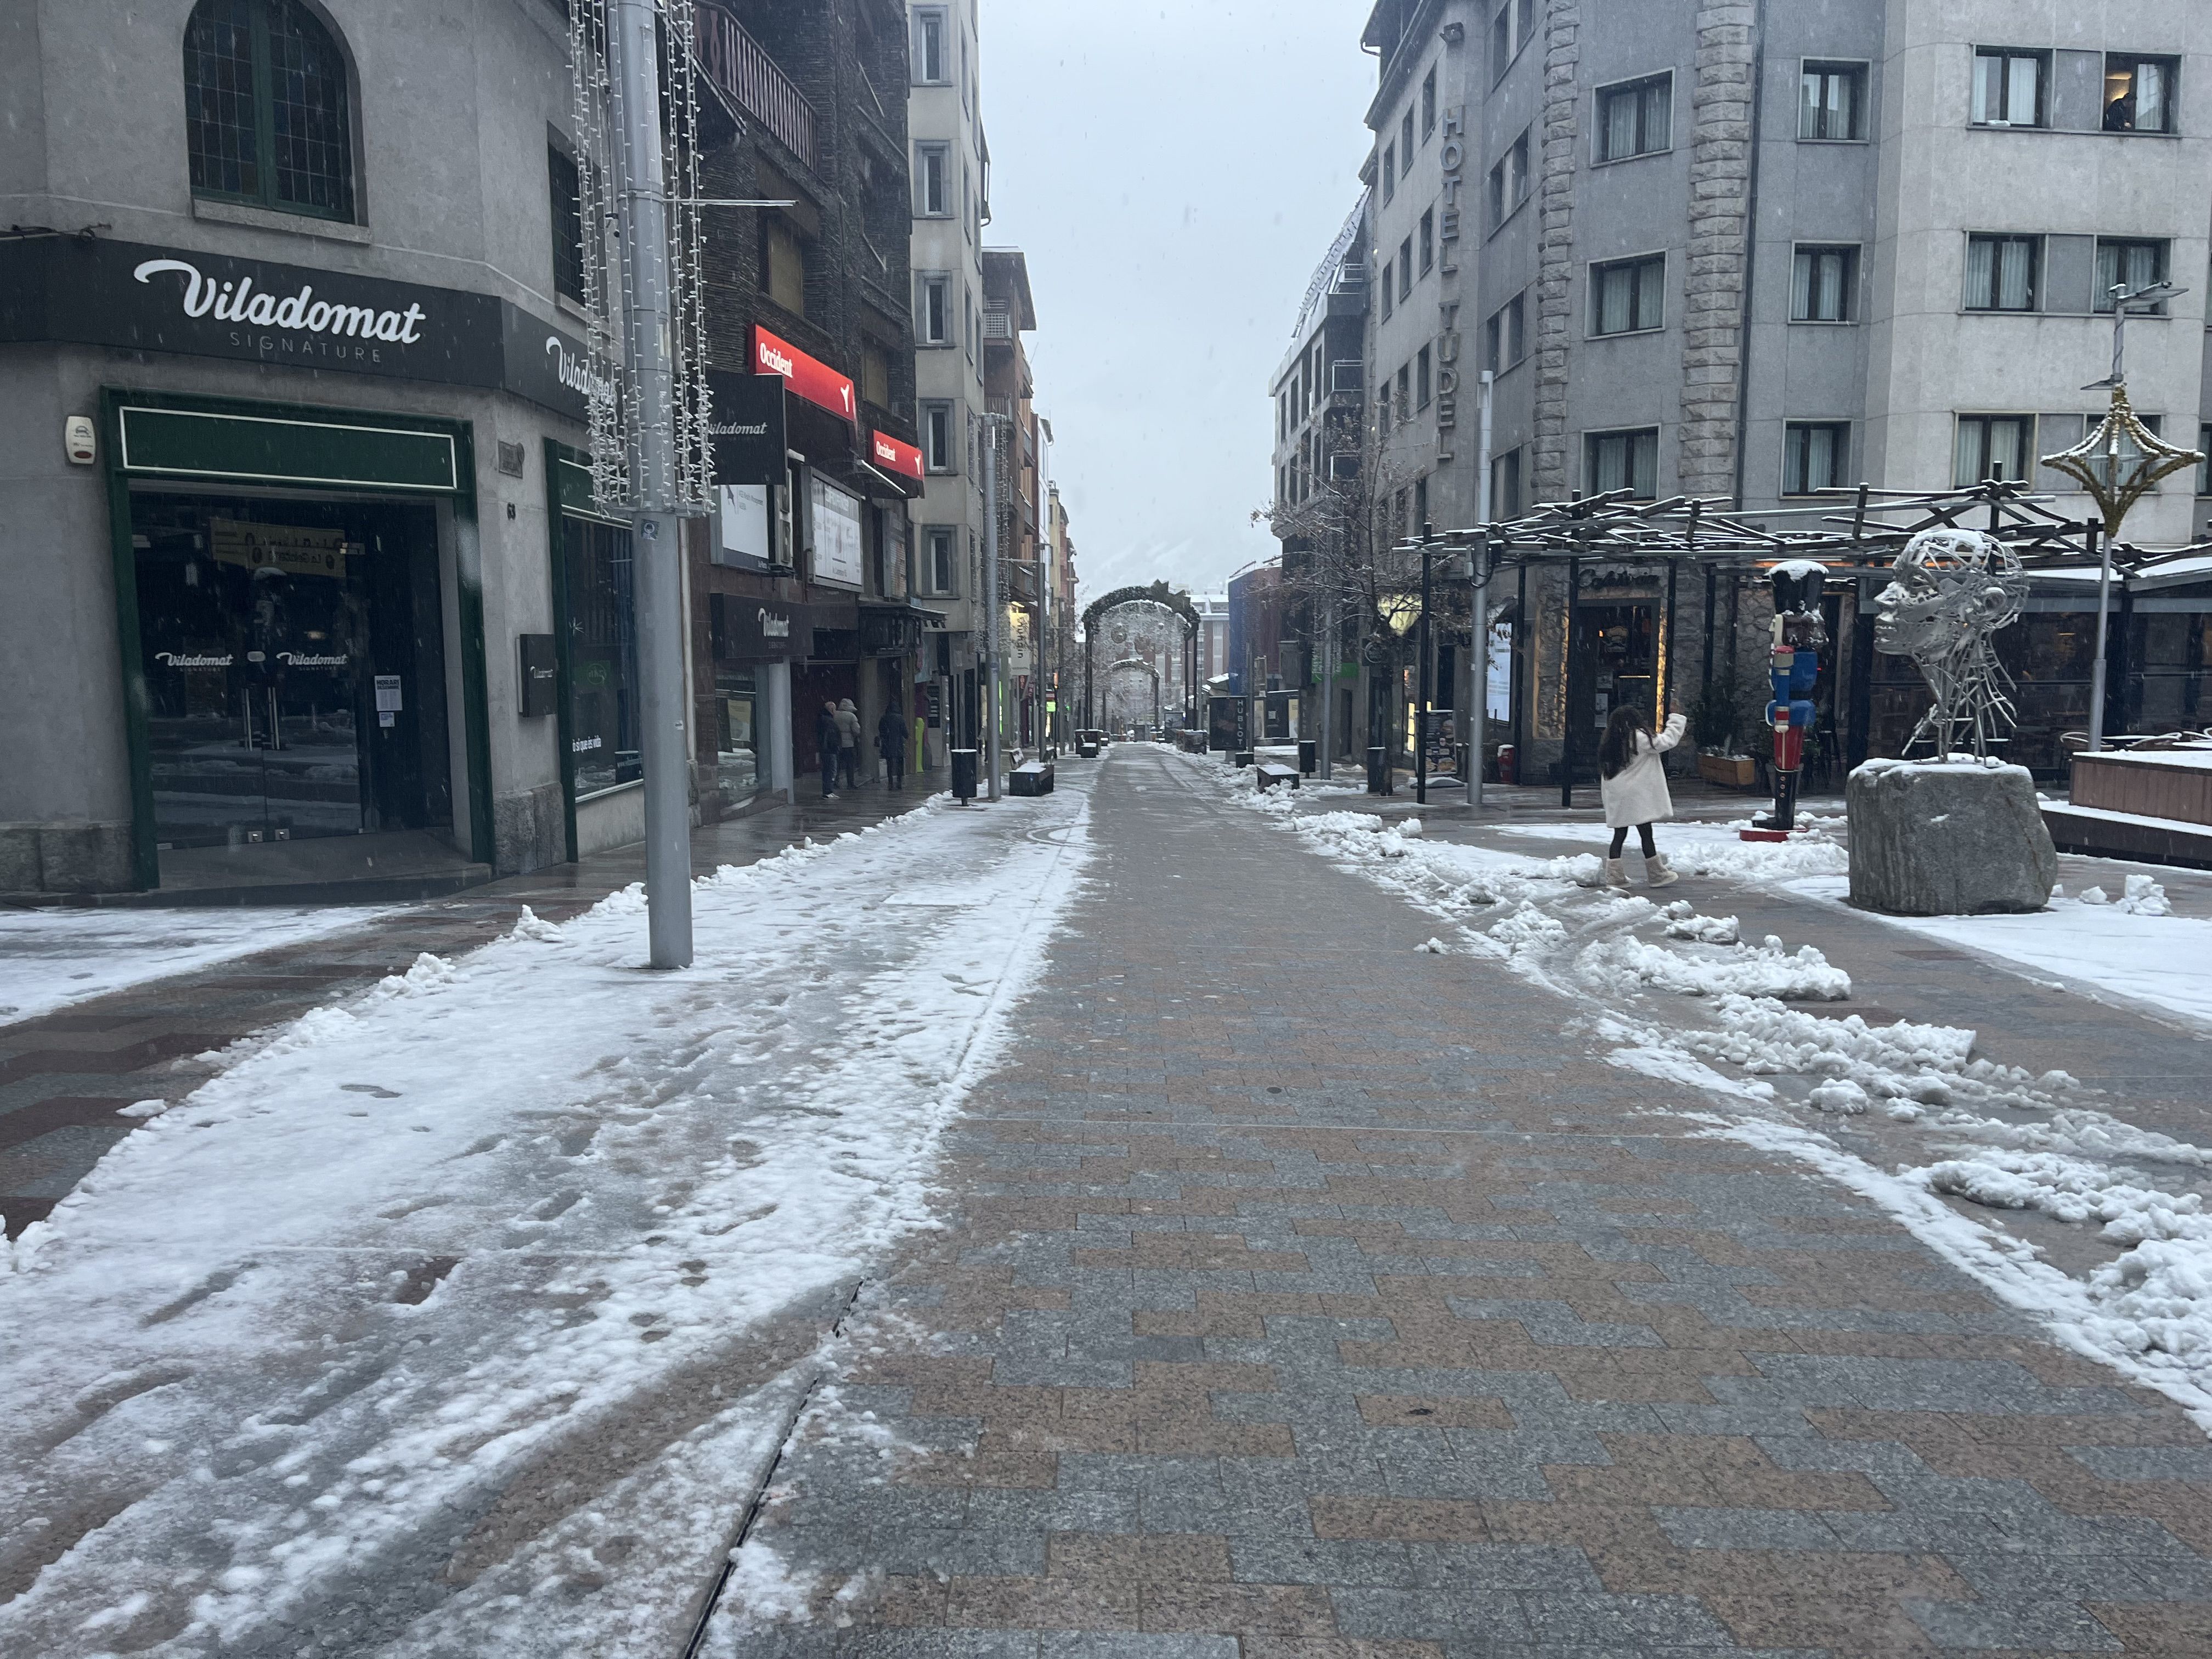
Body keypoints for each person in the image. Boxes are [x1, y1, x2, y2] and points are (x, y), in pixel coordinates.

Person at [1597, 703, 1686, 889]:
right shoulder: (1640, 737)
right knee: (1646, 833)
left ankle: (1614, 876)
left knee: (1620, 834)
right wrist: (1676, 718)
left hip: (1617, 792)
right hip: (1636, 795)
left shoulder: (1611, 740)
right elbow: (1668, 741)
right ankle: (1657, 874)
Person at [877, 702, 909, 790]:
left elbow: (881, 730)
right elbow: (904, 731)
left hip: (887, 744)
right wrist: (906, 736)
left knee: (890, 764)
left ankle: (890, 782)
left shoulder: (884, 718)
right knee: (900, 763)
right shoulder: (900, 718)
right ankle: (899, 782)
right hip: (898, 744)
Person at [815, 699, 842, 799]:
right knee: (831, 770)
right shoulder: (828, 721)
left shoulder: (823, 719)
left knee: (827, 770)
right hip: (830, 750)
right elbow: (831, 736)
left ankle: (828, 790)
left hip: (826, 749)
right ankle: (828, 791)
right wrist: (835, 746)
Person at [835, 697, 862, 789]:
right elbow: (857, 730)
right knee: (850, 765)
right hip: (849, 744)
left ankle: (835, 781)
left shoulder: (835, 715)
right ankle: (850, 784)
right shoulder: (851, 716)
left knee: (837, 764)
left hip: (837, 743)